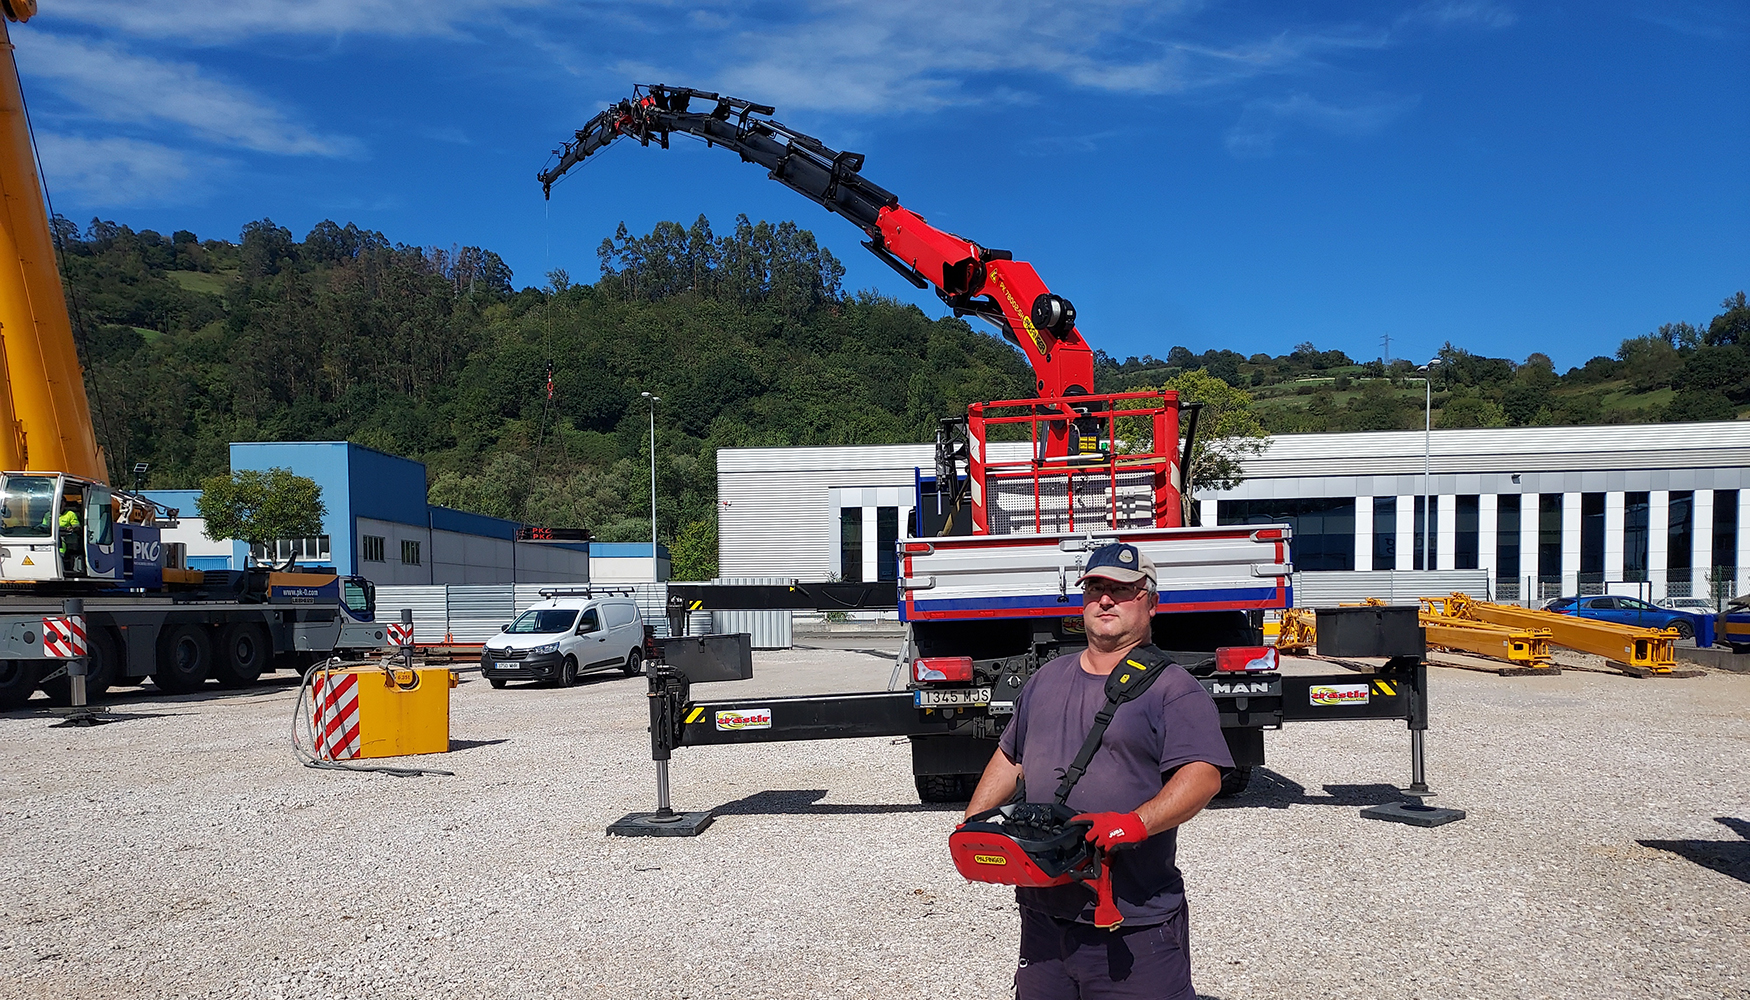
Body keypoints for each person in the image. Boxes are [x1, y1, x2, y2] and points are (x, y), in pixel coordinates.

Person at [963, 541, 1232, 1000]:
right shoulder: (1046, 678)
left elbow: (1203, 774)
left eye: (1122, 590)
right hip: (1044, 913)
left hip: (1132, 920)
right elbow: (1011, 757)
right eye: (1096, 588)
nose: (1105, 599)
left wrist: (1135, 823)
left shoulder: (1173, 688)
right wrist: (974, 823)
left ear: (1151, 602)